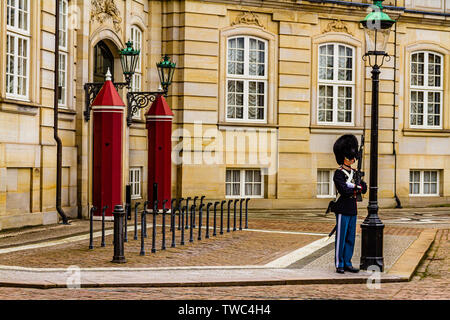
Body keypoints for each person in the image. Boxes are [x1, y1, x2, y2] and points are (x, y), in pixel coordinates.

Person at [332, 134, 367, 274]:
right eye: (350, 157)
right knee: (341, 238)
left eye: (353, 157)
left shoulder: (355, 173)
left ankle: (347, 262)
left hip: (352, 208)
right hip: (342, 208)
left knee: (350, 237)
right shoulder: (339, 173)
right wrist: (355, 187)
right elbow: (344, 190)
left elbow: (364, 187)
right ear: (344, 157)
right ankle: (339, 263)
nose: (352, 159)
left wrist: (357, 187)